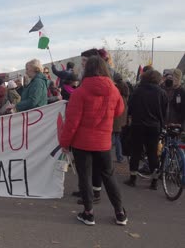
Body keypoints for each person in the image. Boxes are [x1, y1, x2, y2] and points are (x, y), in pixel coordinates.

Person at [60, 56, 127, 226]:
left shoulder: (80, 92)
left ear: (87, 70)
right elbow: (119, 110)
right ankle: (120, 213)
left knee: (85, 177)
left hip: (82, 143)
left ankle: (88, 213)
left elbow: (72, 122)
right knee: (109, 177)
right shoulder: (114, 90)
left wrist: (64, 143)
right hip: (103, 141)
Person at [125, 70, 168, 189]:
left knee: (136, 152)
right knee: (152, 153)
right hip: (154, 126)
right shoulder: (162, 93)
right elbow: (164, 112)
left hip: (138, 125)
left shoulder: (138, 91)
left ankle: (133, 178)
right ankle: (154, 181)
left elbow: (130, 106)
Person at [112, 73, 129, 163]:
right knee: (117, 137)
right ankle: (120, 157)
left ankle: (118, 157)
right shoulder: (125, 96)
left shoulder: (116, 94)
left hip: (115, 119)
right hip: (121, 120)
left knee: (113, 138)